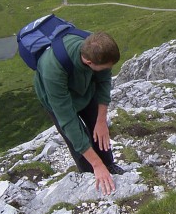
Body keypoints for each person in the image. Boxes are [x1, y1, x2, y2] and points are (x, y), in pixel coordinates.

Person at [34, 31, 125, 195]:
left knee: (98, 130)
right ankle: (92, 175)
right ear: (89, 62)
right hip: (57, 99)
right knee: (77, 137)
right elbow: (68, 121)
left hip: (86, 90)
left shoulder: (99, 51)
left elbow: (104, 82)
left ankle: (109, 164)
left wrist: (101, 121)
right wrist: (96, 164)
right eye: (106, 67)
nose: (109, 70)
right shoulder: (52, 70)